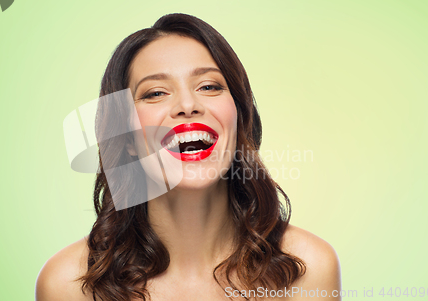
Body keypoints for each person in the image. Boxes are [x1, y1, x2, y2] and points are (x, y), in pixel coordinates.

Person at [36, 13, 341, 301]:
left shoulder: (308, 269)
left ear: (239, 118)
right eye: (155, 92)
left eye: (209, 86)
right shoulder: (68, 284)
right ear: (125, 137)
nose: (187, 104)